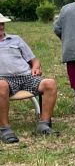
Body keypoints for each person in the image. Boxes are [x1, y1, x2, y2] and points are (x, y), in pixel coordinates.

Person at [0, 13, 59, 142]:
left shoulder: (16, 39)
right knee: (1, 85)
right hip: (4, 80)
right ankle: (4, 129)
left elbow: (34, 60)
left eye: (2, 23)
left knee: (50, 83)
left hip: (26, 76)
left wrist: (35, 68)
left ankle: (43, 124)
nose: (1, 26)